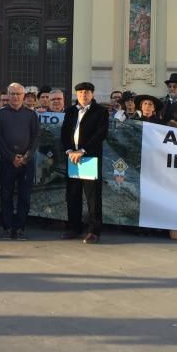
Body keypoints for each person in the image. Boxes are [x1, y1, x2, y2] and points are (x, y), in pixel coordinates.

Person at [61, 82, 109, 244]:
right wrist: (69, 151)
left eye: (87, 92)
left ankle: (94, 230)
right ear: (76, 94)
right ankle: (74, 227)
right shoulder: (70, 111)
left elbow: (100, 134)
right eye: (80, 92)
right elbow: (65, 133)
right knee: (73, 194)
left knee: (92, 196)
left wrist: (82, 151)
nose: (83, 95)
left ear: (92, 94)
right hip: (72, 157)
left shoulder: (101, 112)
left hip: (90, 157)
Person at [0, 82, 39, 240]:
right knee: (6, 195)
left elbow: (36, 138)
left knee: (24, 196)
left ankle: (20, 228)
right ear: (7, 95)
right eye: (12, 94)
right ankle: (7, 227)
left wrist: (26, 157)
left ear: (24, 96)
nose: (15, 97)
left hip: (27, 162)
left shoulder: (31, 115)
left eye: (18, 94)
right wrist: (12, 157)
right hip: (7, 162)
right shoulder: (0, 114)